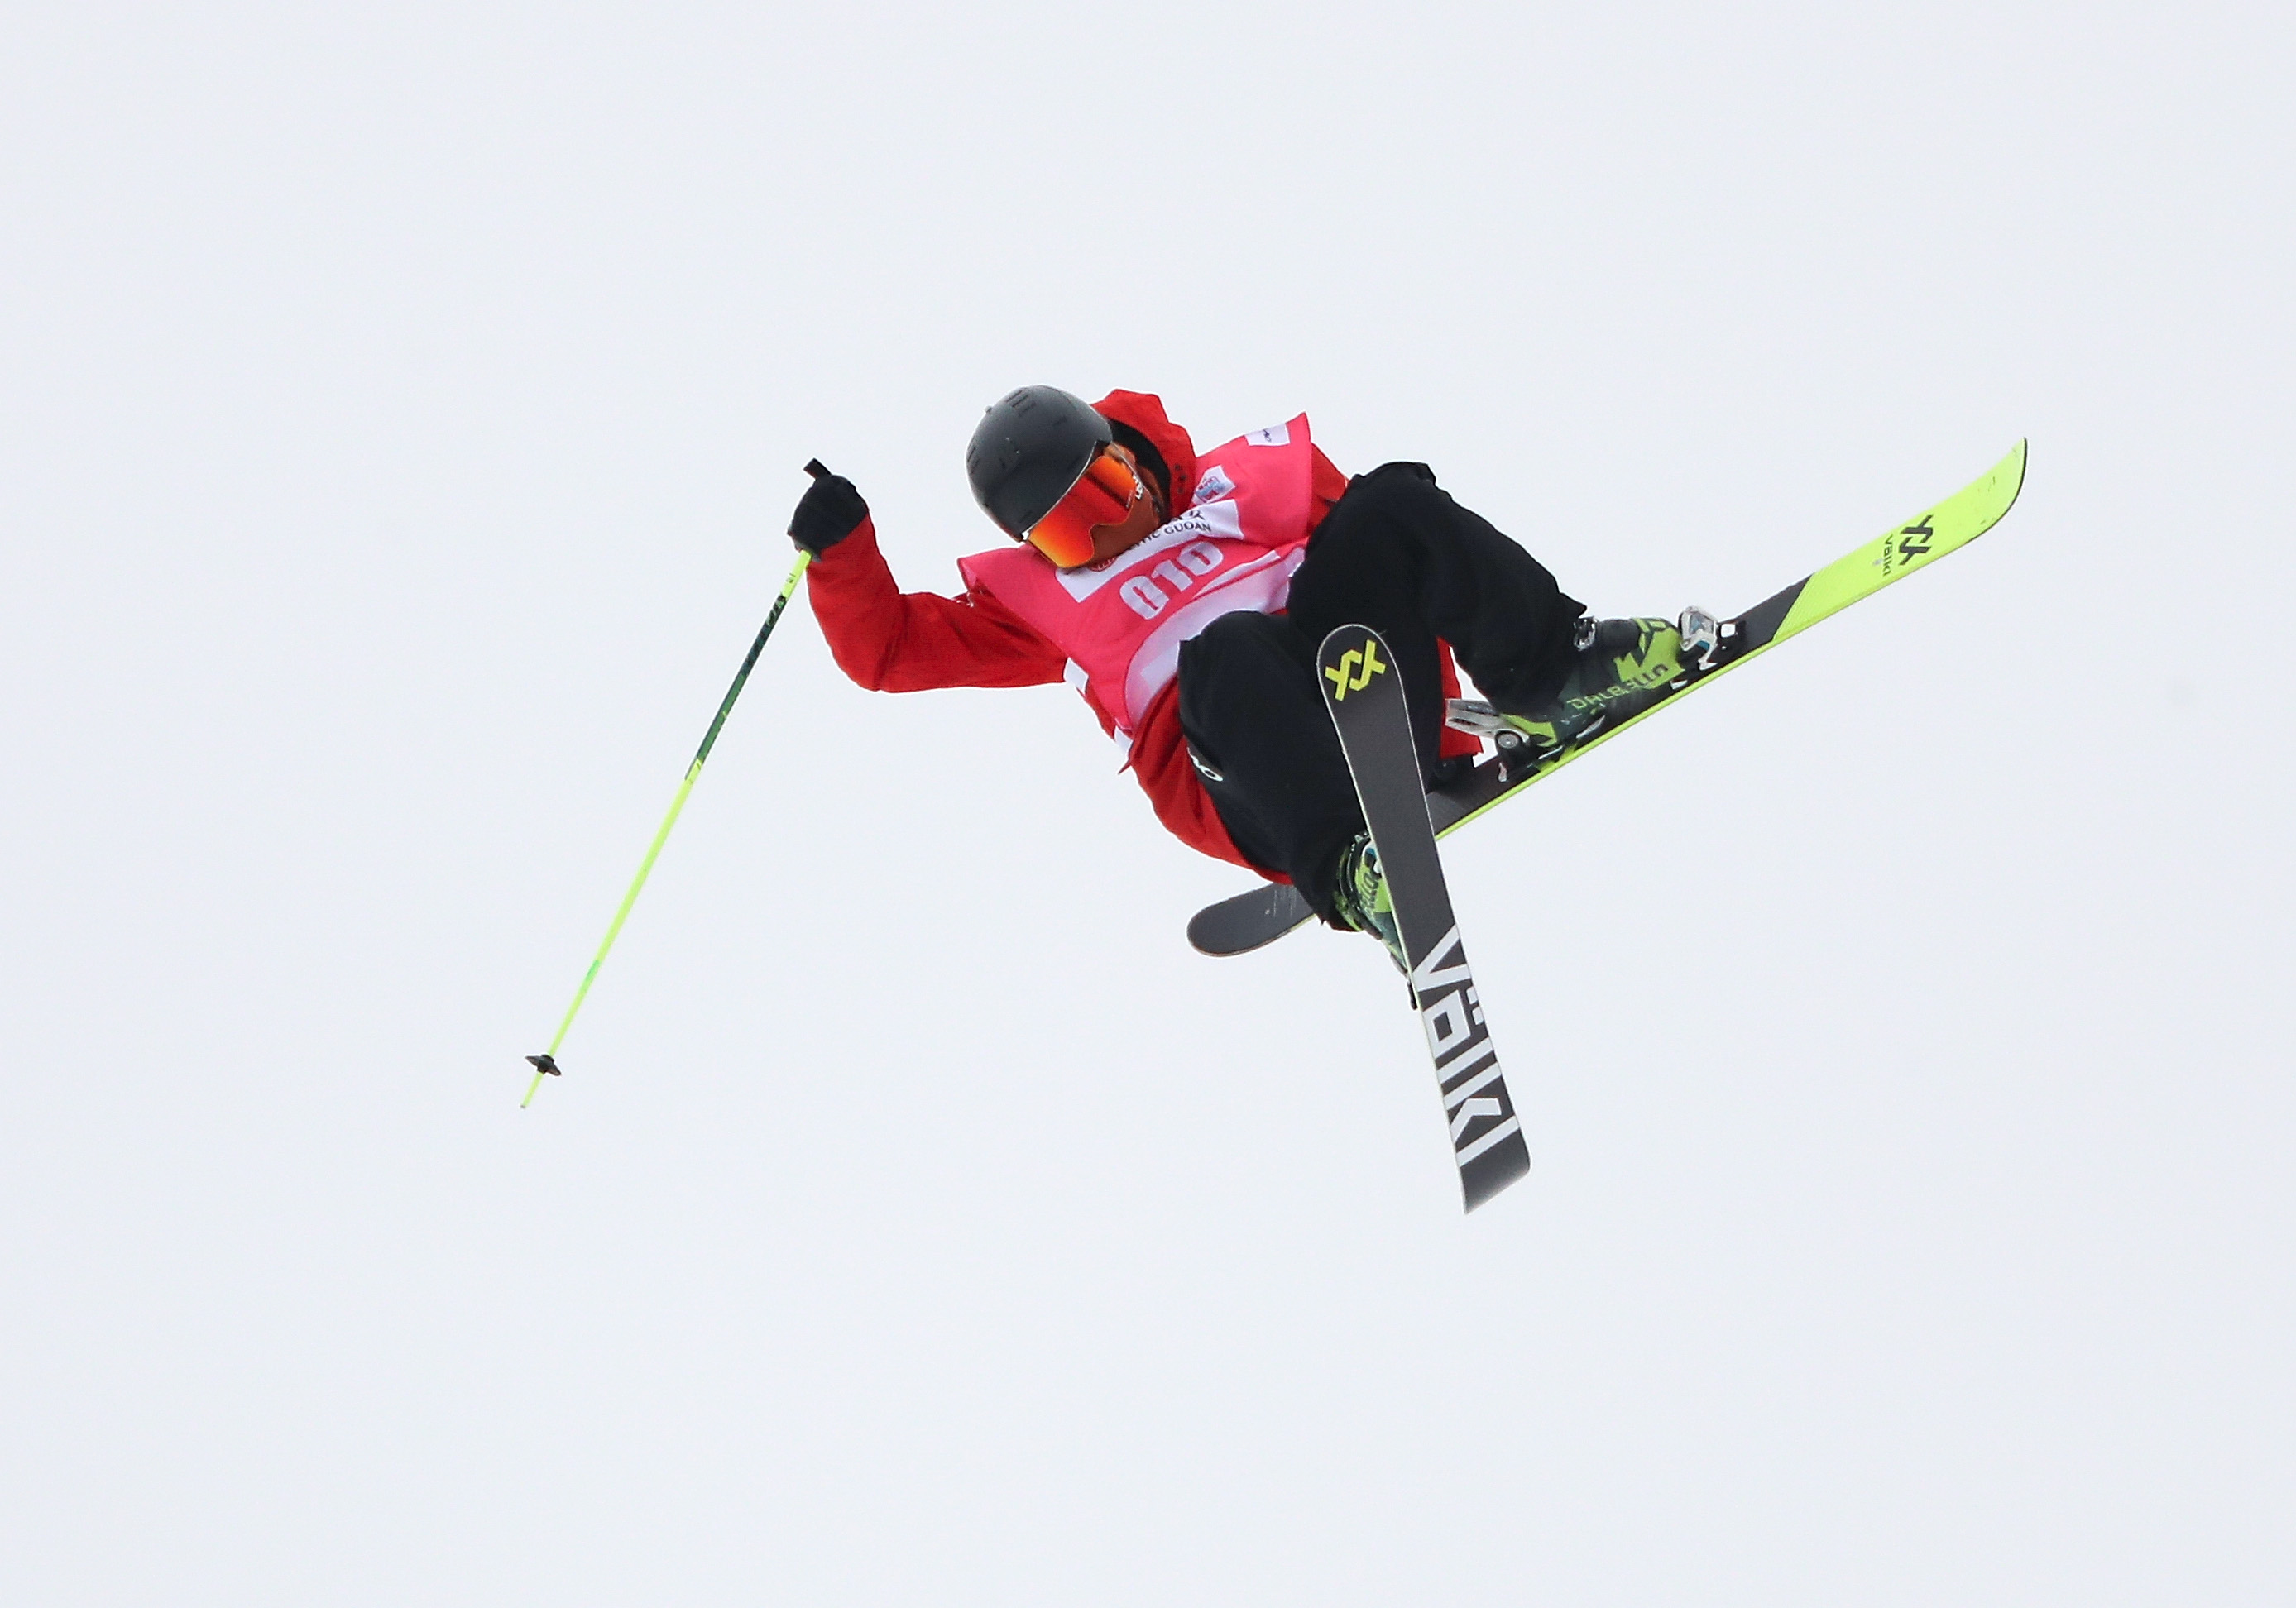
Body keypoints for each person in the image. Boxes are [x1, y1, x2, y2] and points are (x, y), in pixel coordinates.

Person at [788, 385, 1686, 964]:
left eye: (1108, 496)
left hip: (1363, 686)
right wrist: (840, 553)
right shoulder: (1038, 610)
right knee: (1223, 650)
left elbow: (1398, 554)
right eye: (1071, 535)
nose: (1108, 537)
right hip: (1249, 770)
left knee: (1390, 505)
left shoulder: (1238, 493)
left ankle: (1557, 670)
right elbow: (891, 649)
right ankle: (1352, 867)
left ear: (1132, 459)